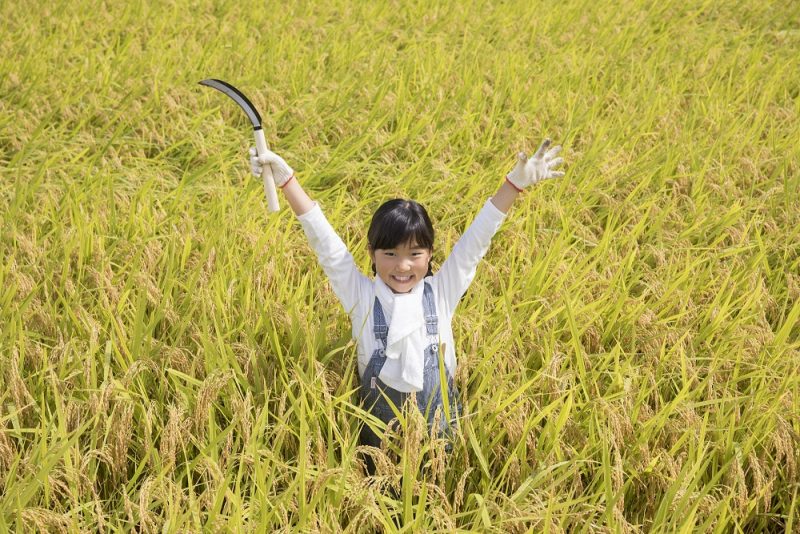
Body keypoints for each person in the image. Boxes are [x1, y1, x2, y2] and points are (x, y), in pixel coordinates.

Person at [248, 140, 564, 476]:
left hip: (440, 443)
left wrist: (513, 186)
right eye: (390, 254)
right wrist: (287, 181)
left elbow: (476, 241)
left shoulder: (442, 292)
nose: (402, 266)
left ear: (429, 255)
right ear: (371, 254)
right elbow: (325, 244)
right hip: (377, 446)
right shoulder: (362, 298)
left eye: (414, 254)